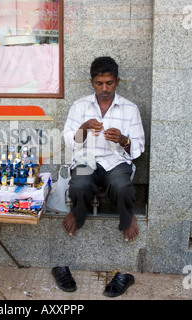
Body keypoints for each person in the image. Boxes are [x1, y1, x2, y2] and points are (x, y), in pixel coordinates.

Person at [52, 56, 145, 296]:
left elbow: (138, 147)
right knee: (80, 183)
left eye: (109, 83)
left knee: (121, 185)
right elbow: (70, 143)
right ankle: (78, 211)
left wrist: (123, 140)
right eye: (99, 83)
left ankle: (127, 217)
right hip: (86, 160)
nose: (104, 89)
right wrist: (83, 128)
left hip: (116, 161)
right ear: (91, 82)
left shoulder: (130, 108)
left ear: (117, 82)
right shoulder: (80, 106)